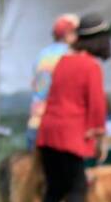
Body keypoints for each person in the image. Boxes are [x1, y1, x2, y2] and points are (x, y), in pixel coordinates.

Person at [35, 13, 111, 202]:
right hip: (71, 132)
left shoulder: (63, 61)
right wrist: (99, 136)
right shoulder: (91, 66)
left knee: (53, 189)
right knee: (77, 187)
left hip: (48, 131)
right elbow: (96, 105)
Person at [26, 13, 78, 150]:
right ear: (69, 34)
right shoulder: (71, 56)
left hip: (36, 122)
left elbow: (39, 88)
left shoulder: (43, 54)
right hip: (59, 128)